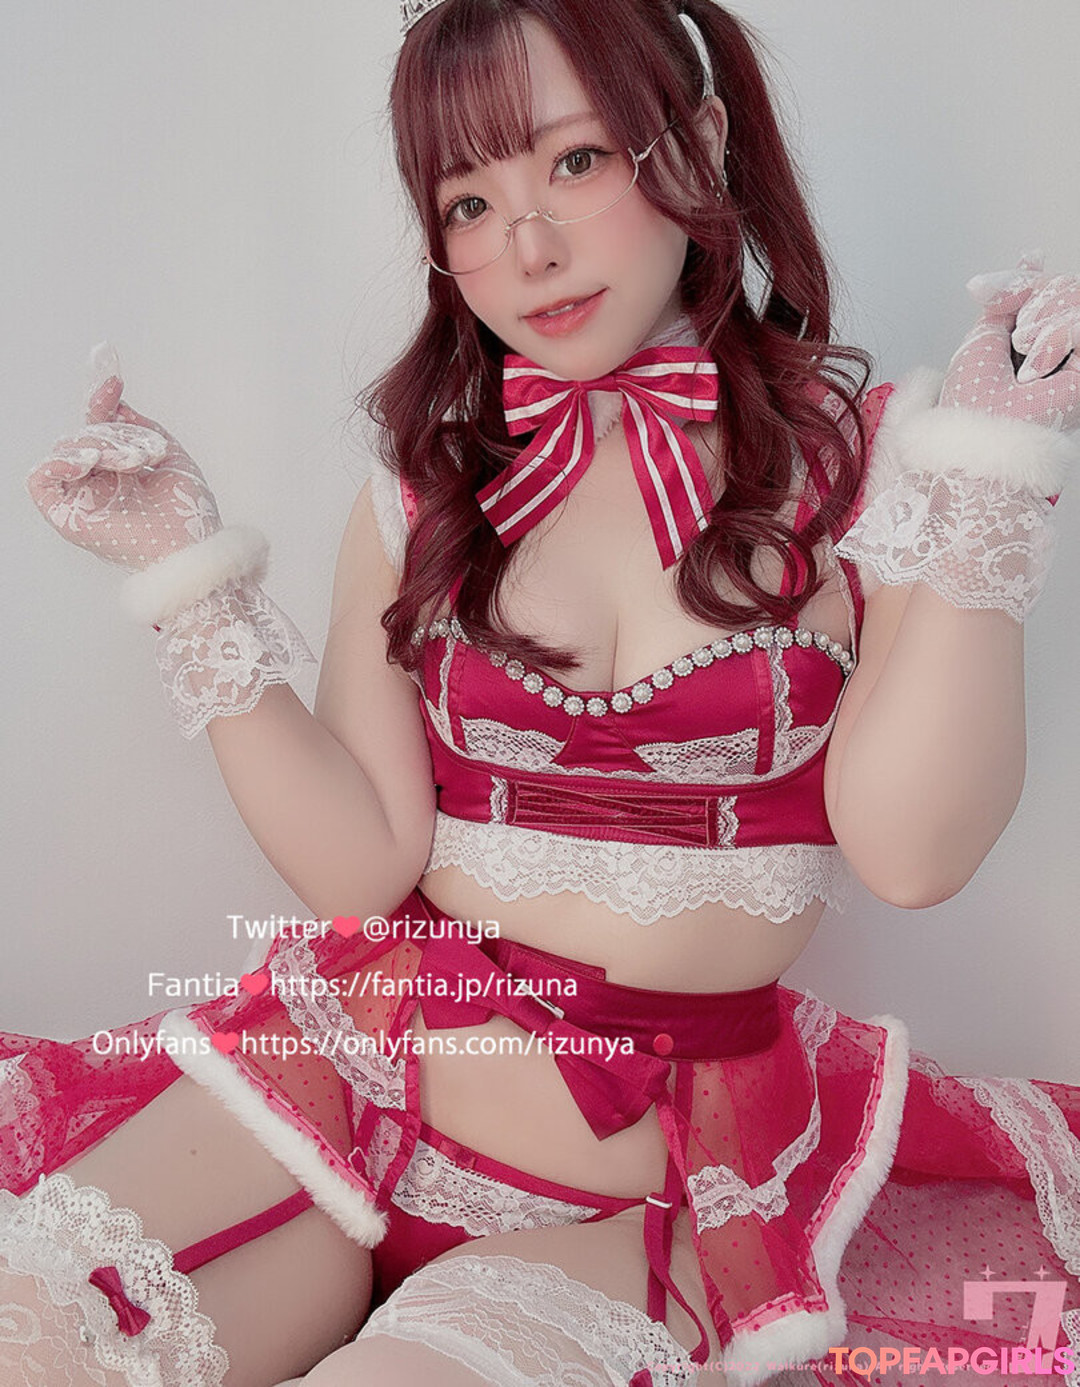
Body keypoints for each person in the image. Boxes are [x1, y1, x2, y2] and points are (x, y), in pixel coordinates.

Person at [2, 1, 1079, 1384]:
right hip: (347, 1086)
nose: (528, 248)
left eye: (575, 161)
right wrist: (185, 579)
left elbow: (913, 854)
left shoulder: (868, 466)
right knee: (29, 1334)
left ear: (699, 142)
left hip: (633, 1200)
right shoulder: (425, 488)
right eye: (468, 200)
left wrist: (992, 482)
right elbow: (360, 864)